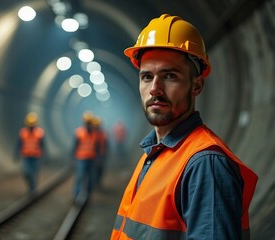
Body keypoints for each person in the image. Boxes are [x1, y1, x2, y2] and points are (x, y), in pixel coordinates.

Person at [111, 14, 258, 239]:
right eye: (147, 77)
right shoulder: (154, 153)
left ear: (197, 85)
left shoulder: (205, 165)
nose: (155, 89)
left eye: (170, 76)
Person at [15, 112, 45, 194]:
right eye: (30, 125)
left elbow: (42, 144)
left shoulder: (39, 132)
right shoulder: (23, 132)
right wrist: (16, 154)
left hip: (36, 156)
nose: (31, 127)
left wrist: (45, 155)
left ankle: (32, 189)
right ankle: (31, 186)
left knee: (34, 173)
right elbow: (19, 144)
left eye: (32, 125)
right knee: (27, 173)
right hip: (26, 156)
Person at [72, 111, 99, 202]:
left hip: (91, 158)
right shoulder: (79, 132)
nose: (88, 124)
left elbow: (97, 147)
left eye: (89, 123)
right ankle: (76, 195)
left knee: (90, 178)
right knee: (80, 176)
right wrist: (73, 158)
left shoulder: (95, 134)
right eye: (87, 123)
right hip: (81, 158)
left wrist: (98, 158)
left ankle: (88, 195)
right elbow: (75, 146)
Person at [92, 116, 107, 187]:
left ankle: (97, 182)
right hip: (93, 155)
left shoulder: (102, 134)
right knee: (93, 170)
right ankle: (95, 182)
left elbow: (106, 145)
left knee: (99, 169)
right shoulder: (93, 133)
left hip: (100, 155)